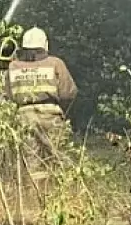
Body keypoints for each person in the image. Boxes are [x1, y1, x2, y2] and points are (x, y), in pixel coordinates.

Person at [4, 26, 77, 183]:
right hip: (51, 115)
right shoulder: (56, 63)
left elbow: (7, 95)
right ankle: (65, 195)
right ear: (45, 45)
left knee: (31, 161)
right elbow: (68, 93)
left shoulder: (13, 66)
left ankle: (35, 198)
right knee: (60, 157)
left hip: (24, 118)